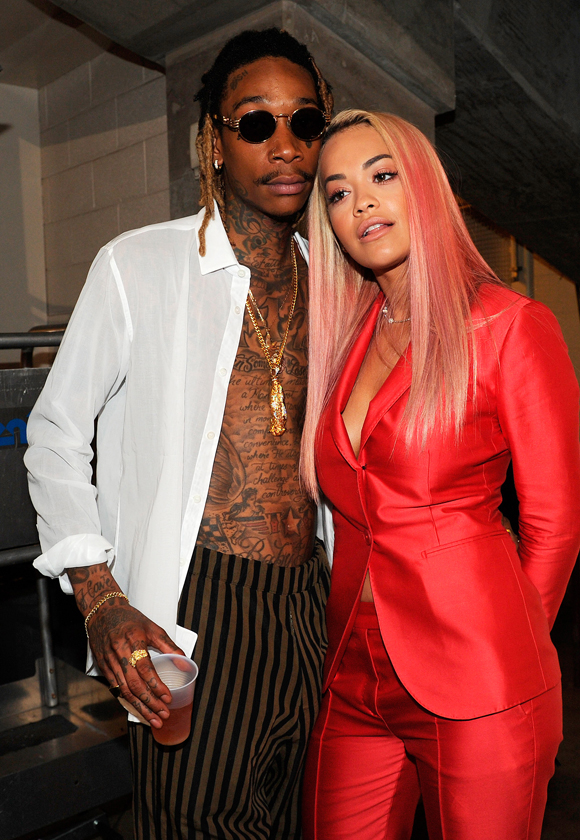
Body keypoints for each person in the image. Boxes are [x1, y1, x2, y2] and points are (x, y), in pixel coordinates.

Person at [25, 28, 333, 840]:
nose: (286, 146)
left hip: (313, 604)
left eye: (305, 121)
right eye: (256, 123)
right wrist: (100, 599)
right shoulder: (139, 266)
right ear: (214, 141)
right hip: (198, 605)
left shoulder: (338, 283)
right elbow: (55, 433)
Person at [299, 109, 580, 840]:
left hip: (479, 679)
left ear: (424, 185)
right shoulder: (349, 336)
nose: (361, 203)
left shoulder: (507, 325)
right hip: (353, 674)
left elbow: (557, 520)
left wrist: (509, 658)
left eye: (382, 176)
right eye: (338, 193)